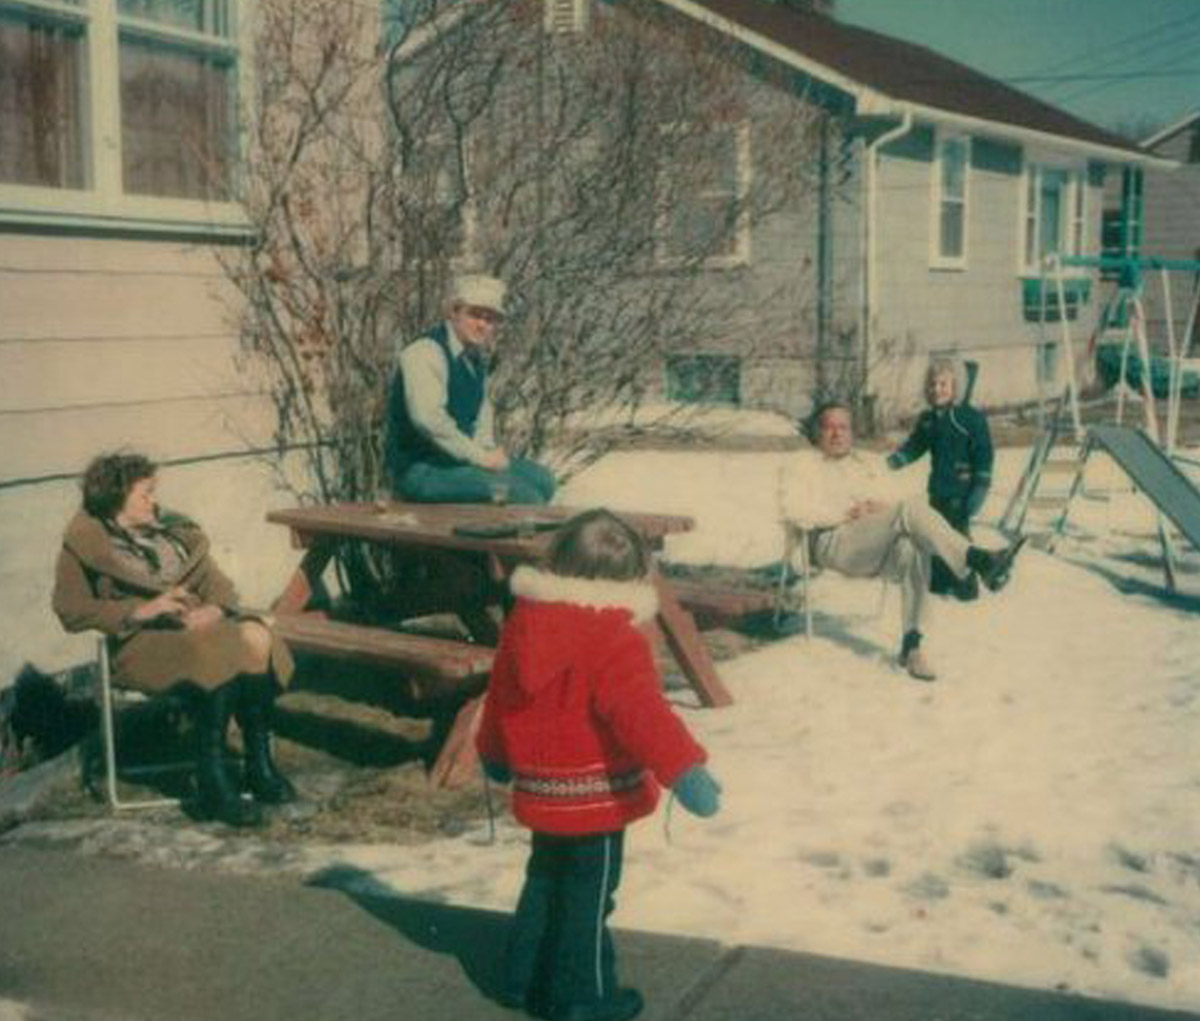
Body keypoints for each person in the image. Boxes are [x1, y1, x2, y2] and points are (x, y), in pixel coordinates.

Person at [476, 509, 721, 1021]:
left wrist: (495, 753)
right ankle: (582, 997)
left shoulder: (526, 621)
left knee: (545, 879)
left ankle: (521, 979)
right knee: (589, 899)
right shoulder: (613, 636)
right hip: (598, 796)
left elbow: (501, 694)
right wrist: (684, 771)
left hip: (543, 790)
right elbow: (642, 715)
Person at [52, 452, 296, 827]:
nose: (155, 500)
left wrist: (214, 609)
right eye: (145, 493)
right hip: (141, 643)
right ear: (116, 499)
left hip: (198, 629)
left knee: (257, 635)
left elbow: (218, 586)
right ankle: (212, 782)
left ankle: (258, 764)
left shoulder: (172, 533)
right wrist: (142, 610)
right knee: (215, 648)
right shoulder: (85, 543)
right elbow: (70, 609)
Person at [782, 402, 1023, 682]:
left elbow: (892, 503)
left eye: (843, 427)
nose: (837, 434)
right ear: (816, 432)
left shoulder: (867, 463)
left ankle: (912, 645)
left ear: (851, 433)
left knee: (912, 545)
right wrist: (843, 514)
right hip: (827, 542)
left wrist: (878, 508)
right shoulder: (800, 464)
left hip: (868, 543)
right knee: (910, 509)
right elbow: (793, 510)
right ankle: (976, 560)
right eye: (829, 427)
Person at [386, 274, 557, 505]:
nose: (482, 325)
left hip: (458, 465)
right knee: (523, 495)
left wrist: (487, 452)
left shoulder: (474, 361)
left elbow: (481, 418)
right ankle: (494, 539)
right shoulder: (425, 352)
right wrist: (481, 458)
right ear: (454, 312)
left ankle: (491, 532)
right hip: (420, 470)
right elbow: (428, 420)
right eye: (475, 315)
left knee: (542, 479)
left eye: (490, 319)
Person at [887, 358, 994, 600]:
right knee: (934, 534)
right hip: (937, 489)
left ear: (957, 386)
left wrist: (981, 484)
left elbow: (984, 453)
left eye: (944, 384)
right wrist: (897, 460)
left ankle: (966, 586)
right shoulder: (928, 419)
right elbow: (916, 445)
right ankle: (941, 581)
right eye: (933, 384)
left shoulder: (969, 418)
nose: (937, 389)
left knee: (957, 537)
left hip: (962, 490)